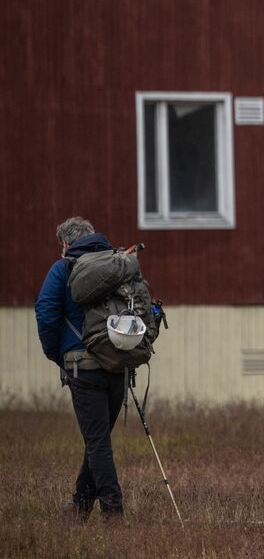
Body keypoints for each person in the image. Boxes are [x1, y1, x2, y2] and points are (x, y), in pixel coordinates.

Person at [35, 217, 130, 521]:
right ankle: (80, 506)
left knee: (96, 441)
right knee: (98, 439)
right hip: (119, 363)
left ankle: (113, 512)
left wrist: (56, 354)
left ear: (66, 243)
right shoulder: (117, 264)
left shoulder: (62, 268)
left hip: (83, 367)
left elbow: (46, 312)